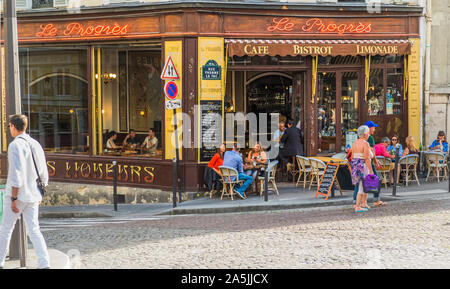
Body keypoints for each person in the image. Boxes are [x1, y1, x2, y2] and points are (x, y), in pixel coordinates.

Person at [0, 115, 50, 269]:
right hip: (33, 194)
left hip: (18, 194)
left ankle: (0, 261)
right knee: (34, 229)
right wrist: (40, 193)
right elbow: (43, 172)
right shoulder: (35, 144)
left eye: (9, 126)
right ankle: (44, 263)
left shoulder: (15, 145)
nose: (9, 129)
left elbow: (16, 173)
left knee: (6, 228)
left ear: (13, 127)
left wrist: (14, 197)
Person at [350, 125, 374, 213]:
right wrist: (371, 171)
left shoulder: (355, 143)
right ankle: (357, 206)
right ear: (365, 134)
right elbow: (367, 158)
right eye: (368, 133)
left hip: (356, 164)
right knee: (362, 186)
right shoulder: (365, 143)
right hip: (363, 165)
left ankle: (363, 203)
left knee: (363, 185)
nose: (369, 135)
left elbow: (352, 156)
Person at [363, 121, 385, 207]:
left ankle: (357, 201)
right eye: (374, 127)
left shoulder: (360, 138)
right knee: (376, 180)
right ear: (369, 128)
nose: (374, 129)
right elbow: (372, 151)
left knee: (361, 182)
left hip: (362, 162)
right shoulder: (370, 138)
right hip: (369, 162)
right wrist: (375, 161)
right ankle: (376, 200)